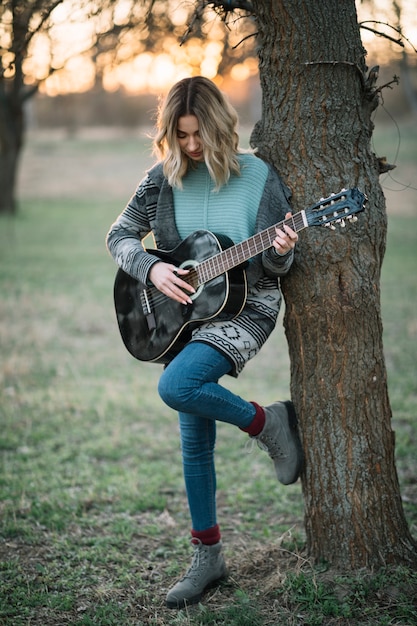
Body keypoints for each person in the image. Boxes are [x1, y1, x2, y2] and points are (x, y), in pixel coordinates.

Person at [106, 76, 303, 610]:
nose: (191, 146)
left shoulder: (259, 177)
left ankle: (268, 424)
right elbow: (118, 236)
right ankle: (208, 555)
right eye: (181, 135)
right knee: (194, 442)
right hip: (180, 314)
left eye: (198, 134)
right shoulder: (163, 178)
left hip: (245, 307)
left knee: (178, 384)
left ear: (218, 126)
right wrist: (150, 270)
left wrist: (283, 248)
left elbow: (278, 265)